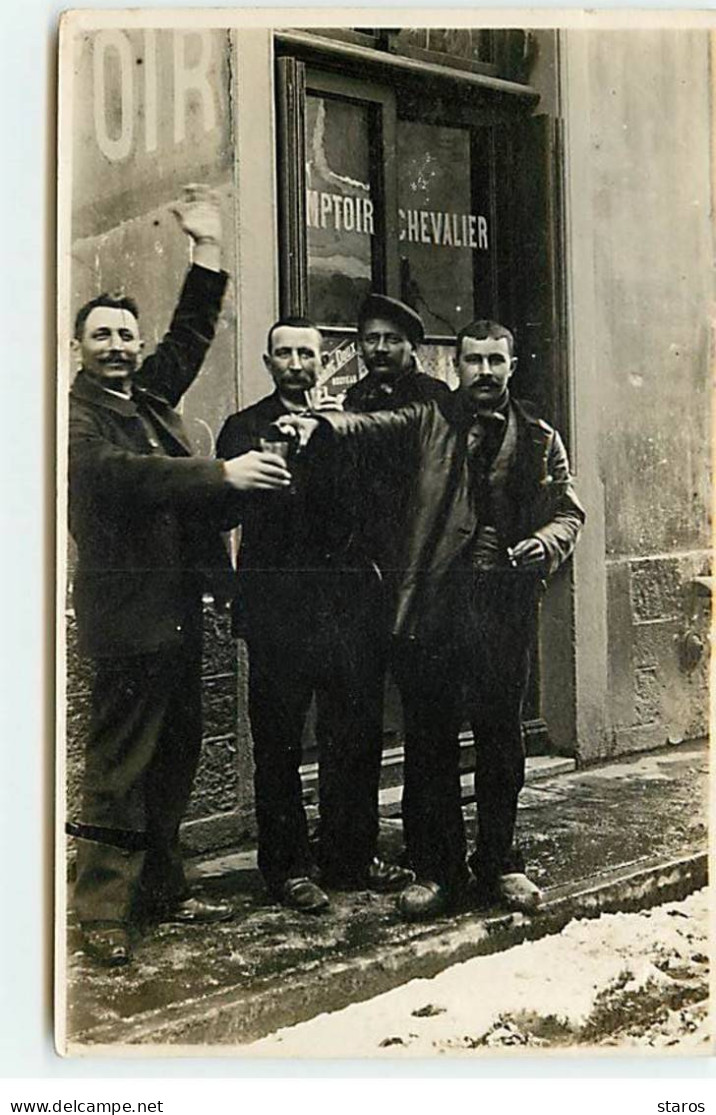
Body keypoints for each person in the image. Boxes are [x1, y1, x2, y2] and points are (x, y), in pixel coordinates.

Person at [279, 319, 585, 922]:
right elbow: (370, 424)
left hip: (502, 608)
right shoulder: (430, 419)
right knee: (430, 741)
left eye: (496, 361)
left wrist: (546, 542)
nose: (485, 372)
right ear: (457, 365)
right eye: (473, 360)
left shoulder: (541, 435)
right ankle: (439, 871)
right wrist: (319, 421)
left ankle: (501, 862)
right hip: (437, 605)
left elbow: (569, 509)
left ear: (512, 365)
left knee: (501, 741)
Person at [68, 186, 293, 967]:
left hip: (173, 609)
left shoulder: (146, 395)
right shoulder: (79, 418)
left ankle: (159, 887)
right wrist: (222, 473)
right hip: (126, 613)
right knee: (119, 760)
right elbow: (123, 476)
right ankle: (99, 907)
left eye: (126, 335)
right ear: (79, 348)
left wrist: (209, 251)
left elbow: (190, 336)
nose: (120, 346)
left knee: (176, 750)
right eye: (103, 335)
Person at [216, 317, 413, 914]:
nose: (296, 362)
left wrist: (330, 436)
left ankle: (350, 857)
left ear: (323, 359)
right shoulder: (244, 428)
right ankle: (286, 868)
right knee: (277, 743)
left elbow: (379, 503)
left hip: (348, 609)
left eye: (307, 351)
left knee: (352, 736)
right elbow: (222, 511)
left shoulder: (345, 425)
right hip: (278, 611)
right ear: (268, 361)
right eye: (284, 352)